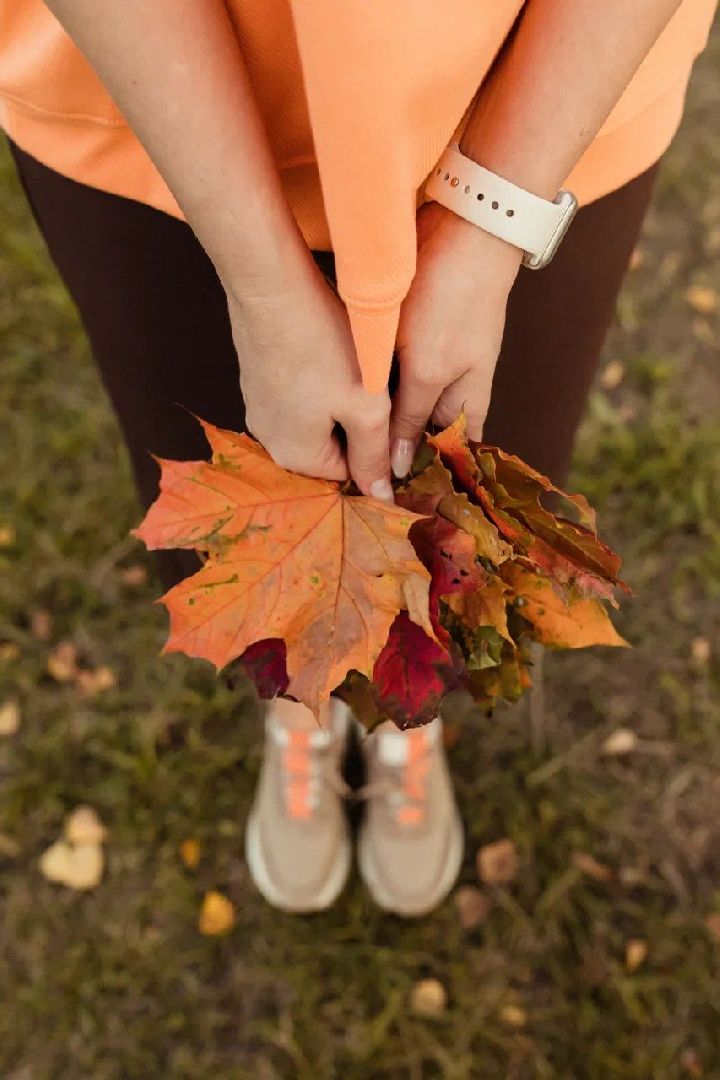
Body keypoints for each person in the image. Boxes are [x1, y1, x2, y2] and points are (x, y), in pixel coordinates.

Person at [0, 0, 716, 916]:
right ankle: (297, 708)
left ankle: (407, 714)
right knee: (243, 535)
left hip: (547, 76)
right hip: (159, 100)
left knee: (469, 536)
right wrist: (259, 280)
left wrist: (495, 219)